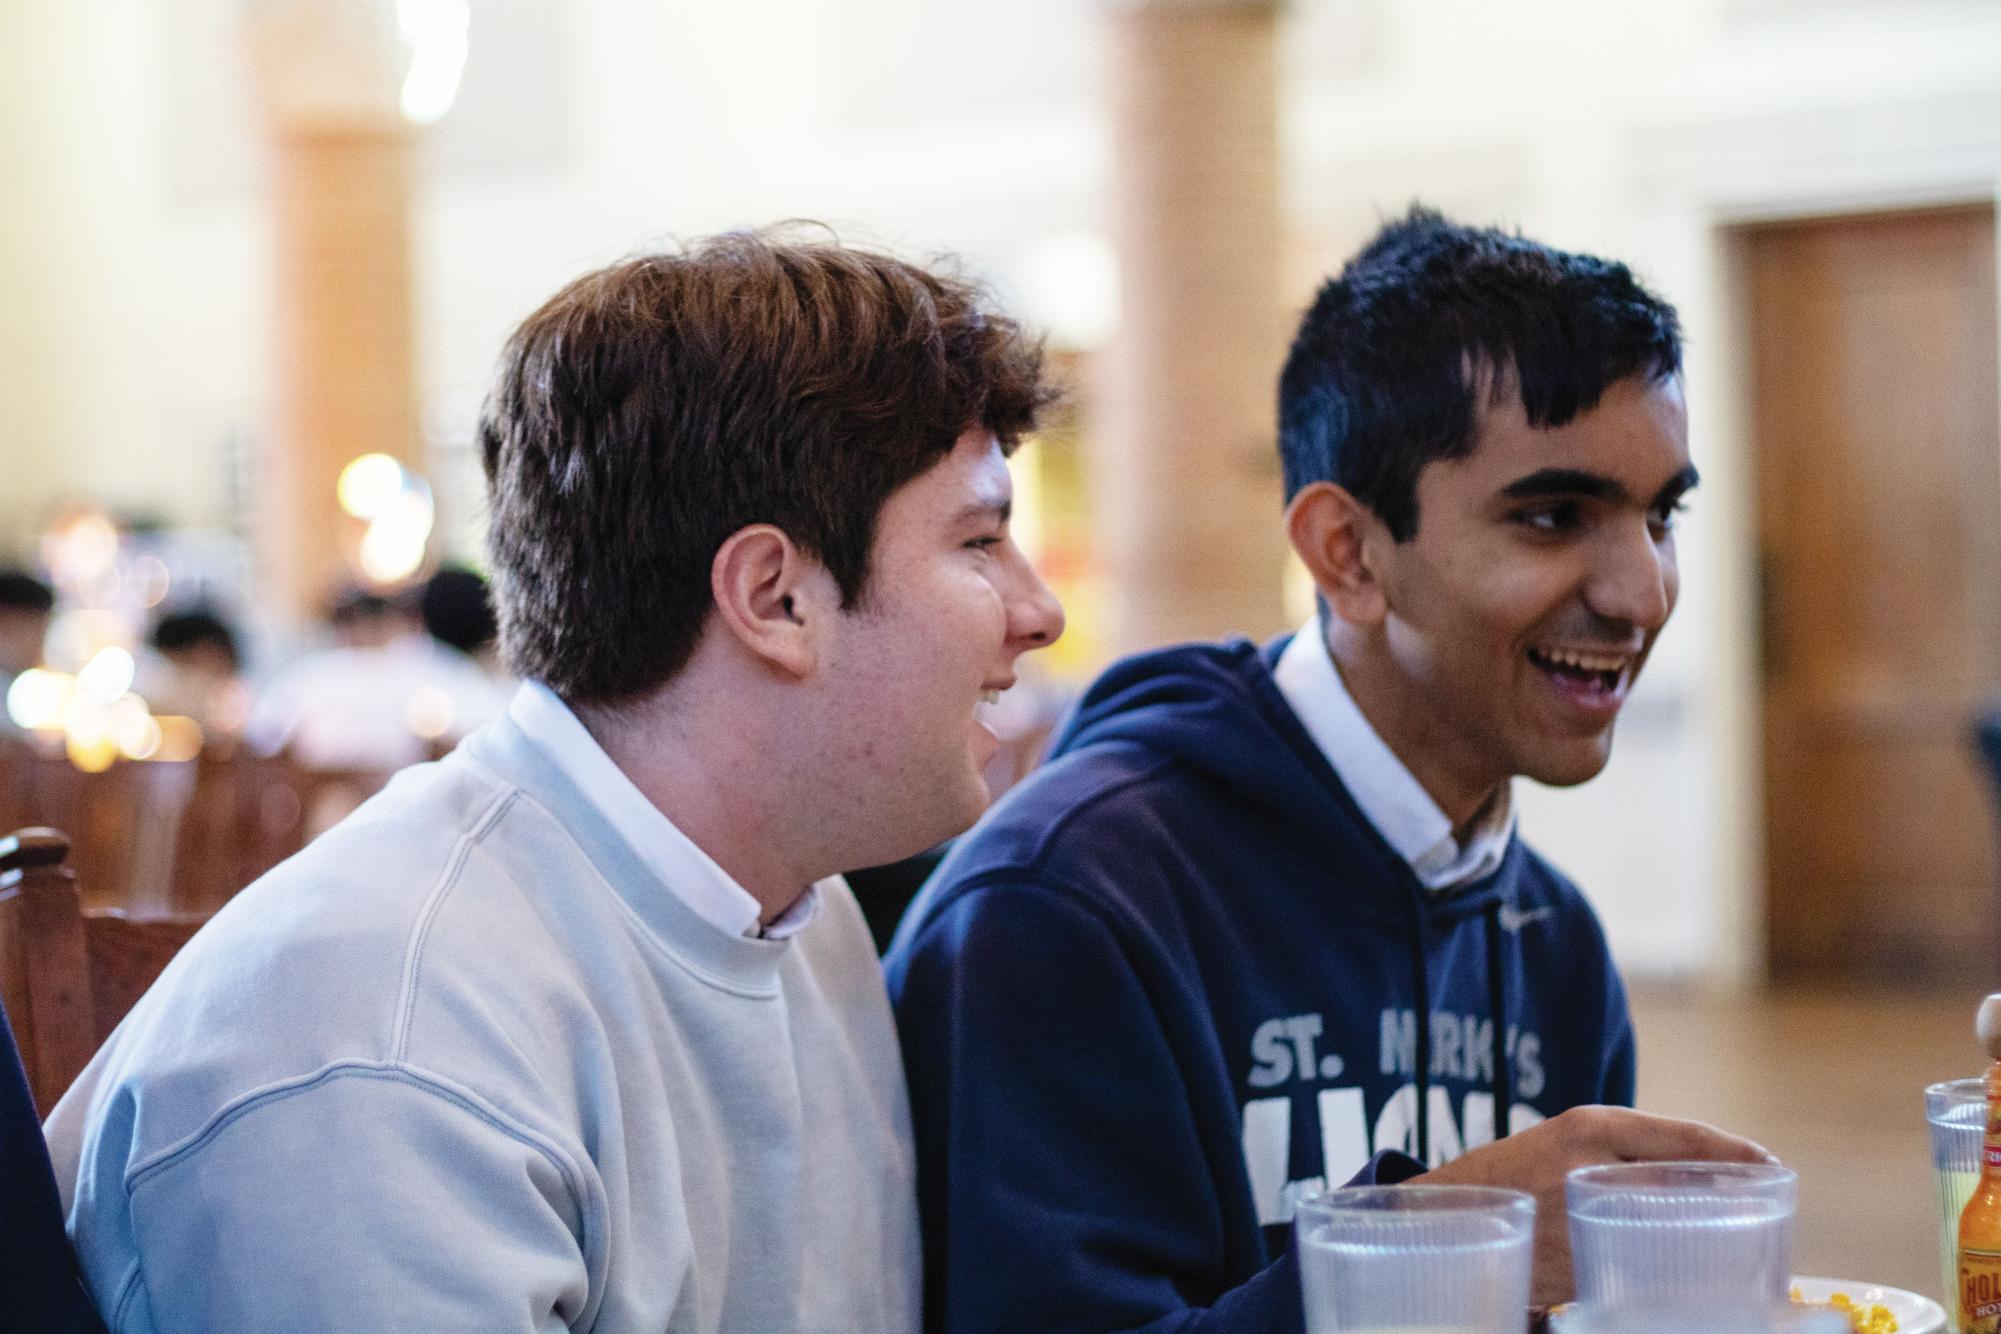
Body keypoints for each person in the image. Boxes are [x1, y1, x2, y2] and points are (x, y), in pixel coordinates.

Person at [47, 231, 1065, 1332]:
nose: (1037, 611)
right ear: (774, 598)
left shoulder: (805, 925)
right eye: (978, 539)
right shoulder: (383, 1046)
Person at [885, 208, 1769, 1331]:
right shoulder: (1064, 906)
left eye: (1661, 515)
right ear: (1346, 551)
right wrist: (1435, 1245)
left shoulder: (1553, 941)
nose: (1641, 594)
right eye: (1554, 515)